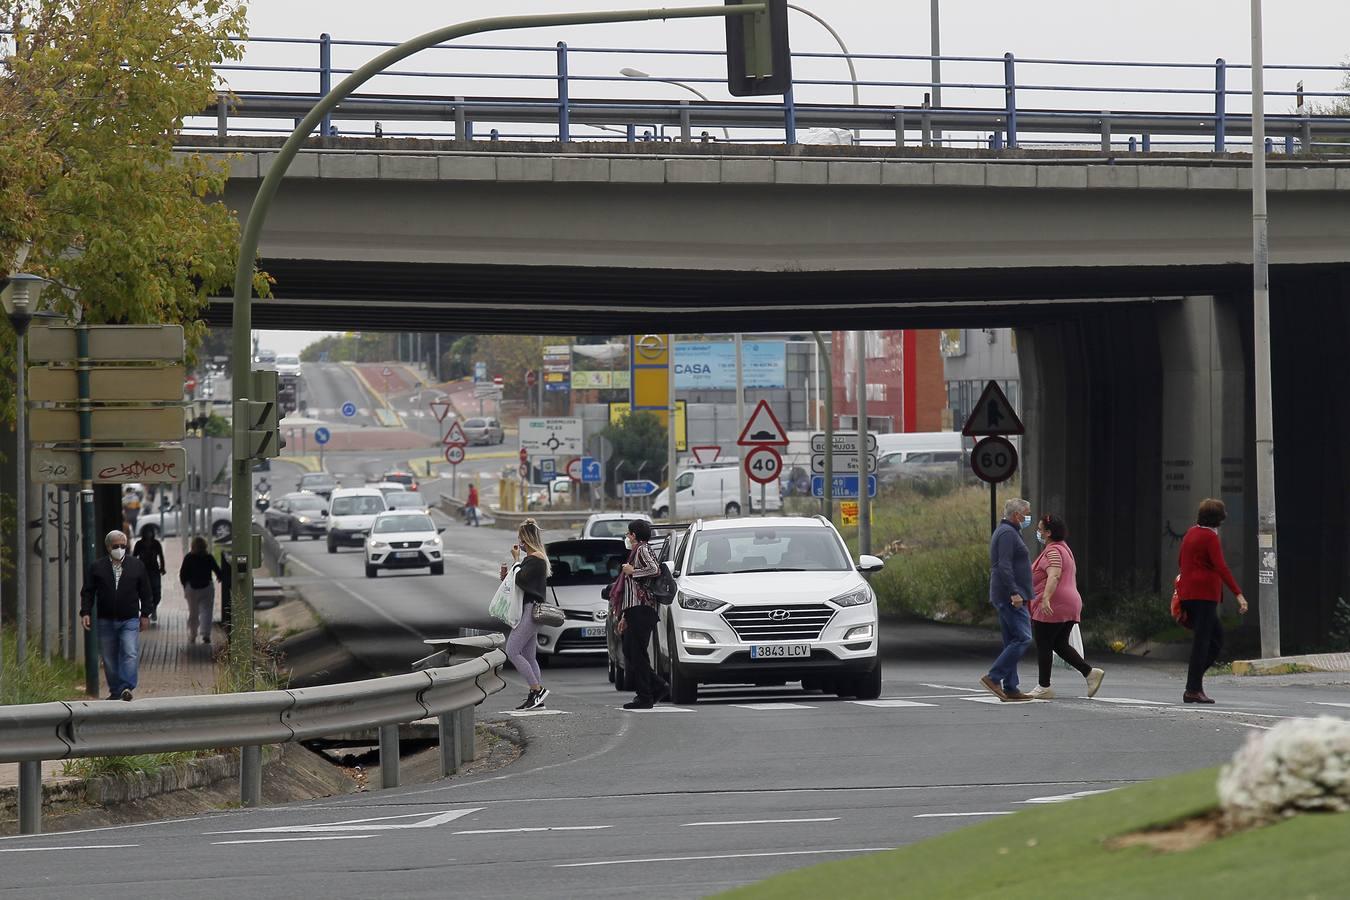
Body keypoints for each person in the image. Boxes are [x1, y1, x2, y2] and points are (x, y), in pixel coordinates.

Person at [1176, 498, 1248, 704]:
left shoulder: (1190, 533)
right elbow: (1221, 566)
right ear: (1217, 519)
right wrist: (1238, 594)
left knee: (1213, 639)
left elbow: (1180, 560)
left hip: (1188, 594)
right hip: (1204, 595)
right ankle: (1193, 688)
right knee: (1205, 642)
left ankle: (1194, 683)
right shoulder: (1210, 537)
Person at [1028, 515, 1106, 699]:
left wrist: (1046, 598)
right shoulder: (1065, 549)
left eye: (1040, 529)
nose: (1038, 532)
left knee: (1044, 643)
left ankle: (1043, 686)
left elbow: (1054, 575)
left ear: (1048, 533)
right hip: (1070, 602)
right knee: (1059, 643)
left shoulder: (1053, 552)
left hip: (1054, 603)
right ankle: (1090, 673)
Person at [80, 530, 151, 701]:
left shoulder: (136, 566)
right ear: (108, 547)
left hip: (129, 619)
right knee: (109, 658)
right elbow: (88, 592)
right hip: (105, 620)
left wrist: (145, 614)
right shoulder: (97, 567)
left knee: (130, 651)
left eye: (123, 546)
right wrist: (86, 612)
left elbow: (145, 592)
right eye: (116, 546)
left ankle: (126, 686)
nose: (119, 549)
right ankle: (115, 691)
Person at [980, 498, 1035, 702]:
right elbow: (1003, 565)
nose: (1028, 516)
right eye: (1026, 513)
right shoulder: (1007, 534)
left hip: (1010, 594)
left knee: (1011, 640)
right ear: (1016, 515)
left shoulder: (1010, 532)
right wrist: (1014, 592)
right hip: (1010, 596)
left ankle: (1011, 687)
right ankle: (994, 678)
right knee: (1023, 638)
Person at [612, 519, 667, 710]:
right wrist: (625, 616)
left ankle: (645, 695)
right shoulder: (636, 551)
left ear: (634, 535)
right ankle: (656, 687)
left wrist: (632, 571)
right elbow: (630, 590)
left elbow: (654, 569)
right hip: (634, 610)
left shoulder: (642, 549)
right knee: (631, 652)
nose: (627, 537)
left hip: (643, 609)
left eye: (628, 533)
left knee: (636, 653)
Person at [499, 519, 550, 710]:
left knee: (512, 650)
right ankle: (536, 699)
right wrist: (508, 576)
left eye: (519, 536)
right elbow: (519, 582)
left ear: (525, 538)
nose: (518, 540)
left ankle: (537, 690)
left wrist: (515, 560)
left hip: (531, 610)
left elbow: (521, 579)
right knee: (529, 656)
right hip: (529, 609)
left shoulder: (535, 559)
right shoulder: (534, 559)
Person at [180, 535, 223, 645]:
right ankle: (206, 634)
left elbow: (183, 574)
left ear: (193, 546)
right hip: (206, 588)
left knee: (193, 612)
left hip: (192, 589)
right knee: (207, 611)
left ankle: (193, 634)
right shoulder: (208, 557)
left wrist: (185, 586)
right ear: (205, 546)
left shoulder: (188, 557)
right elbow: (217, 570)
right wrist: (220, 577)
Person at [132, 524, 167, 624]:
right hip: (143, 571)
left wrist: (162, 567)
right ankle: (146, 612)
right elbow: (134, 556)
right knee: (144, 592)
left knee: (157, 592)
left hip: (154, 570)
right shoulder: (139, 544)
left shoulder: (156, 543)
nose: (149, 534)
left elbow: (161, 555)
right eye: (147, 532)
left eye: (150, 532)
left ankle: (154, 607)